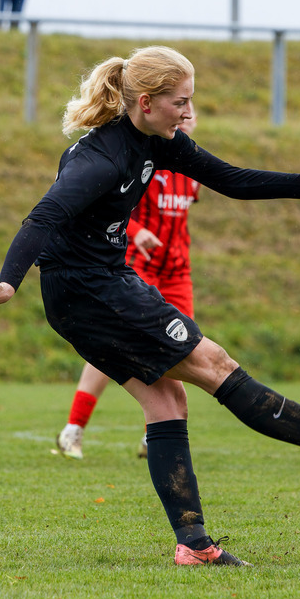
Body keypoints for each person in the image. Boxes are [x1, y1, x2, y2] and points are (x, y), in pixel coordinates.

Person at [0, 45, 300, 567]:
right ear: (147, 102)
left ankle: (194, 546)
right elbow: (42, 217)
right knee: (213, 363)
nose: (188, 112)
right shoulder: (100, 158)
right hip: (91, 293)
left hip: (97, 287)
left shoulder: (158, 140)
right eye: (181, 101)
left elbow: (230, 180)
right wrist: (8, 284)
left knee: (167, 402)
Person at [56, 114, 202, 461]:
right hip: (136, 265)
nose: (185, 118)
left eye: (190, 112)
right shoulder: (145, 162)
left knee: (181, 347)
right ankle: (73, 429)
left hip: (177, 271)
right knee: (111, 348)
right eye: (180, 109)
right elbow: (114, 207)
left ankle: (158, 436)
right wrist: (138, 233)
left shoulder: (193, 172)